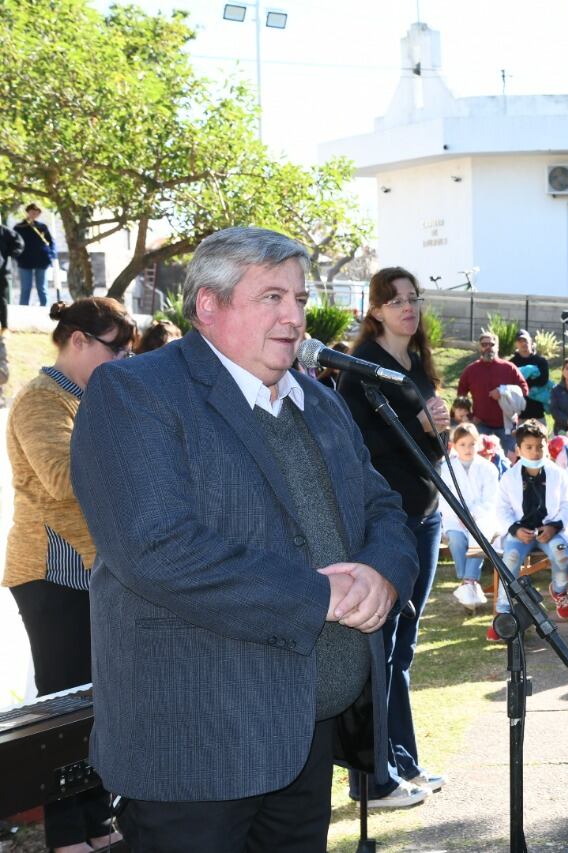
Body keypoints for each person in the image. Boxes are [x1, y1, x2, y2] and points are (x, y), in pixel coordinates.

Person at [70, 227, 419, 849]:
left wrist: (383, 571)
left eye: (301, 300)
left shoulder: (318, 399)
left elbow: (382, 505)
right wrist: (324, 598)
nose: (295, 318)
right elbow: (157, 546)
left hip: (305, 728)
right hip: (197, 739)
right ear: (210, 304)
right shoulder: (136, 393)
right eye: (273, 298)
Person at [7, 298, 134, 853]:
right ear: (78, 340)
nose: (122, 361)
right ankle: (65, 837)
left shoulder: (92, 397)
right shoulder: (40, 397)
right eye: (116, 350)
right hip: (50, 573)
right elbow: (61, 477)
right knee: (63, 708)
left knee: (96, 702)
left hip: (91, 569)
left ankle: (99, 824)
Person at [337, 265, 451, 805]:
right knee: (379, 648)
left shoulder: (417, 367)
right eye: (396, 299)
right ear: (376, 310)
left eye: (414, 298)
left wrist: (436, 434)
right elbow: (358, 451)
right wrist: (419, 429)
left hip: (427, 514)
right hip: (389, 522)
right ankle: (371, 775)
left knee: (403, 648)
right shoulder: (360, 371)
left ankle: (402, 760)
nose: (409, 307)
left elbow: (427, 452)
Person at [494, 419, 568, 630]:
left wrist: (554, 527)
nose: (535, 452)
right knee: (510, 560)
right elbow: (501, 509)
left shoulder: (558, 474)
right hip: (520, 532)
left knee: (562, 553)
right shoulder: (509, 477)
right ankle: (502, 613)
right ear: (518, 449)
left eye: (540, 447)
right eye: (529, 447)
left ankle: (559, 591)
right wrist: (514, 529)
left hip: (550, 531)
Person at [441, 422, 499, 610]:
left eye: (471, 444)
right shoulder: (446, 468)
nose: (467, 448)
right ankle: (468, 582)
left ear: (478, 444)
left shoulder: (488, 468)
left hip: (481, 519)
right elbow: (444, 498)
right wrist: (460, 515)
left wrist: (472, 515)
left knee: (478, 539)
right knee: (456, 541)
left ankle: (468, 582)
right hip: (455, 519)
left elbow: (491, 498)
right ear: (454, 446)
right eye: (462, 444)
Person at [457, 331, 528, 453]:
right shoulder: (471, 370)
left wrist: (503, 391)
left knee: (509, 461)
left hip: (506, 426)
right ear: (480, 347)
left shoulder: (509, 368)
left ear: (497, 347)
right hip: (481, 425)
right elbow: (461, 397)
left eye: (492, 344)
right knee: (480, 461)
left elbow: (524, 389)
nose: (488, 347)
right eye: (484, 344)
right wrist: (469, 417)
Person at [14, 204, 55, 307]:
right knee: (26, 288)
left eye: (37, 212)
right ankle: (23, 309)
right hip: (25, 260)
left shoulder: (42, 227)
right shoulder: (19, 227)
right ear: (28, 212)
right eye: (32, 211)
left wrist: (52, 254)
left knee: (42, 288)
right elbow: (14, 243)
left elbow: (50, 242)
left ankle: (45, 309)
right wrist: (17, 255)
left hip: (42, 260)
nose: (34, 214)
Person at [511, 329, 551, 422]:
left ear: (531, 342)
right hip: (518, 414)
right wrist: (531, 380)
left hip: (537, 413)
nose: (523, 343)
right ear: (516, 344)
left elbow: (543, 381)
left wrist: (522, 383)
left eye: (525, 340)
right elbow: (511, 383)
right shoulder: (511, 363)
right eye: (520, 341)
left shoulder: (541, 361)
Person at [0, 218, 23, 329]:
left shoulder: (5, 232)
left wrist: (11, 254)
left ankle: (4, 326)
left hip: (2, 271)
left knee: (2, 299)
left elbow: (19, 243)